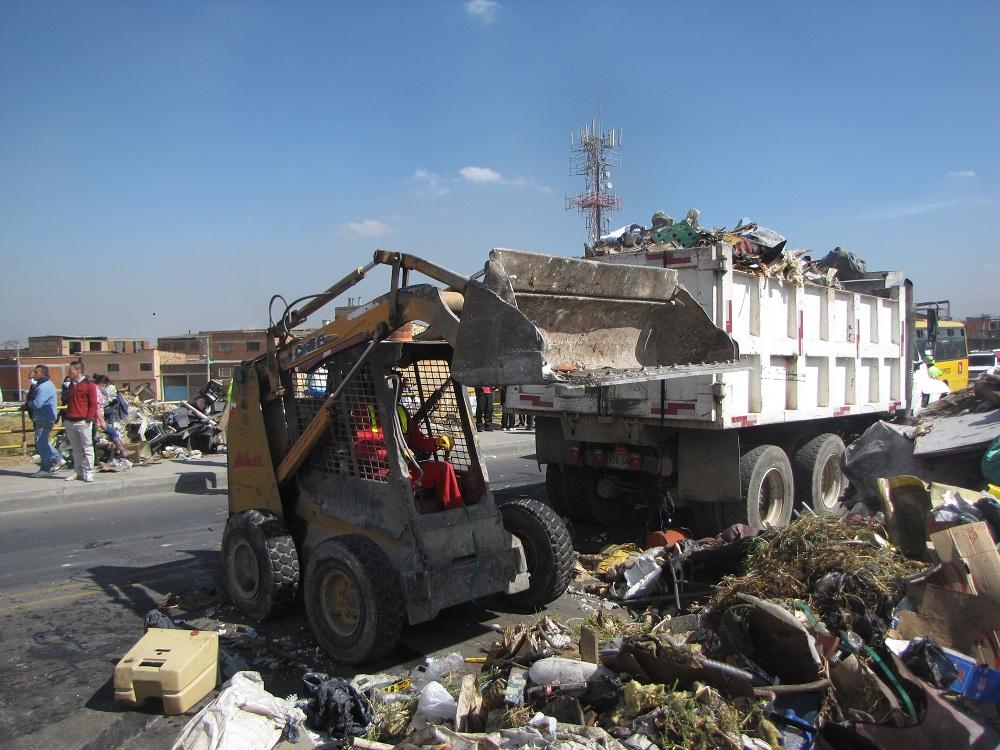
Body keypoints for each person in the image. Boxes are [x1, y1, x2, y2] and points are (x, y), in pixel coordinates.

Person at [63, 361, 100, 482]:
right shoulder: (70, 385)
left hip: (83, 421)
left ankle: (89, 472)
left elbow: (93, 403)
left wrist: (89, 418)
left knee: (87, 447)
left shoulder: (90, 386)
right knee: (75, 449)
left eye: (70, 371)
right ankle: (78, 471)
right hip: (70, 420)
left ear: (77, 371)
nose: (68, 373)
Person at [23, 365, 63, 476]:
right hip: (44, 417)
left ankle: (46, 467)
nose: (33, 374)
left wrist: (28, 404)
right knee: (42, 442)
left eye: (36, 372)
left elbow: (37, 403)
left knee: (41, 443)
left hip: (44, 418)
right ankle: (57, 459)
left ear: (42, 374)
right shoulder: (44, 385)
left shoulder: (44, 387)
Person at [96, 375, 128, 461]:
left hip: (97, 418)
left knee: (111, 432)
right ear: (103, 384)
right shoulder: (96, 391)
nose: (106, 388)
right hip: (97, 419)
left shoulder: (96, 390)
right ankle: (122, 451)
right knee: (112, 432)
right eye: (106, 386)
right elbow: (97, 407)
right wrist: (101, 420)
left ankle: (121, 451)